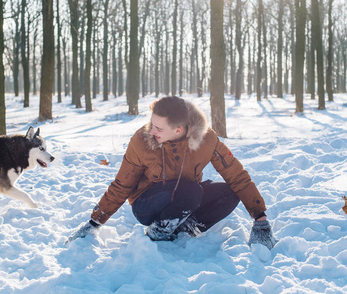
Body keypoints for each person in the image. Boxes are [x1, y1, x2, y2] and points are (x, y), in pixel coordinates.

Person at [66, 96, 276, 249]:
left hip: (186, 197)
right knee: (191, 191)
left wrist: (260, 218)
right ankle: (159, 230)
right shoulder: (142, 141)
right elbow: (122, 184)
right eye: (152, 124)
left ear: (178, 130)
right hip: (147, 204)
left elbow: (236, 175)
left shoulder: (207, 139)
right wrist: (95, 221)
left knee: (230, 192)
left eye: (158, 128)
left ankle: (187, 229)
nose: (151, 131)